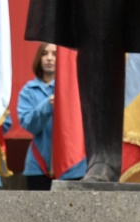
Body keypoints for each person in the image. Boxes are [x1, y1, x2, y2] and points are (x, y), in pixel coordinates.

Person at [18, 44, 87, 188]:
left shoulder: (75, 89)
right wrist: (47, 106)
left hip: (73, 166)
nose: (49, 58)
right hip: (38, 167)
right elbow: (30, 125)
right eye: (45, 54)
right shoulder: (28, 91)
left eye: (55, 54)